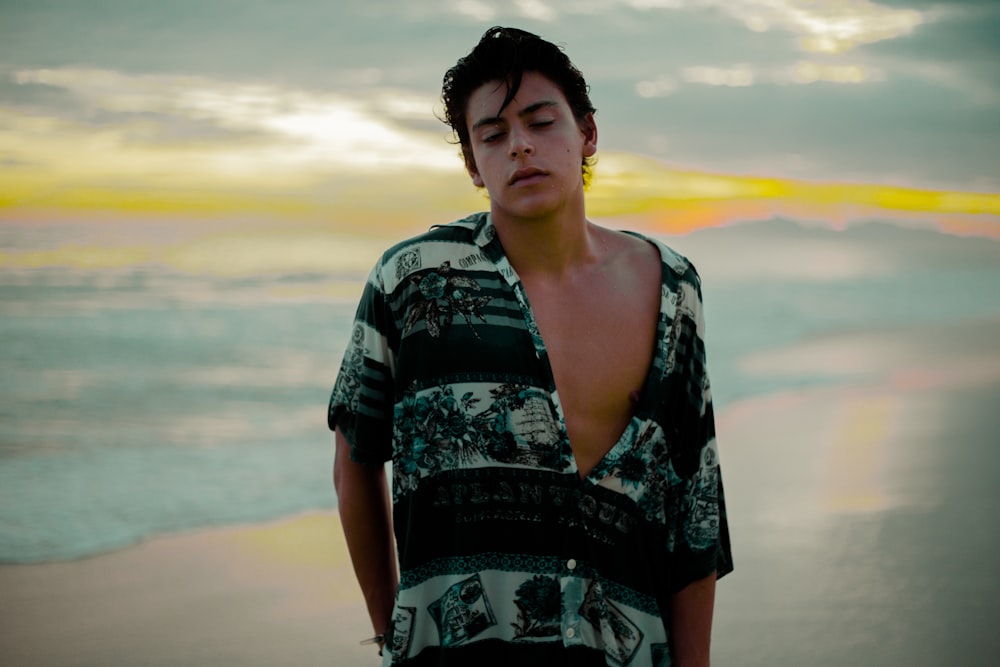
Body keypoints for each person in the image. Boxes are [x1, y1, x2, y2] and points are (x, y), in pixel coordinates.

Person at [329, 26, 732, 667]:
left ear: (587, 134)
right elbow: (355, 455)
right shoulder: (415, 282)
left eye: (541, 123)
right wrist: (392, 636)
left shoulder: (671, 288)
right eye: (493, 134)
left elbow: (696, 507)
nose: (520, 146)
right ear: (472, 163)